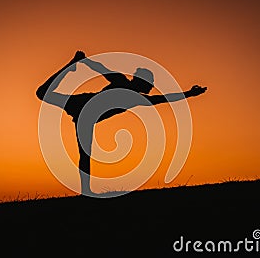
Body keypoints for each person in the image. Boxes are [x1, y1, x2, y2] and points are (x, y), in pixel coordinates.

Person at [36, 51, 207, 195]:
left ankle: (86, 191)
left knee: (85, 153)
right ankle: (70, 64)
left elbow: (162, 99)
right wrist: (82, 62)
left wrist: (188, 94)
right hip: (83, 105)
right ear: (140, 81)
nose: (152, 86)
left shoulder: (136, 98)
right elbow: (102, 69)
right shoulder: (124, 85)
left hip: (85, 115)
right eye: (150, 83)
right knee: (42, 93)